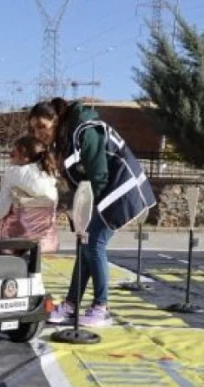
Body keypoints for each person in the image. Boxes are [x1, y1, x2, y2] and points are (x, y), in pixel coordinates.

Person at [29, 98, 156, 328]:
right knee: (85, 246)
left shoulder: (85, 131)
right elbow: (80, 179)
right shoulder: (67, 137)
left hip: (121, 191)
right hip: (103, 192)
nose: (37, 133)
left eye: (41, 126)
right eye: (33, 128)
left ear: (56, 120)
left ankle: (101, 307)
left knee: (94, 243)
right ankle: (71, 304)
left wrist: (86, 212)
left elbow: (98, 176)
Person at [0, 135, 60, 253]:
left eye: (13, 153)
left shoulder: (11, 175)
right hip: (46, 245)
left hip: (15, 245)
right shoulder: (50, 179)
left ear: (25, 157)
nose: (10, 156)